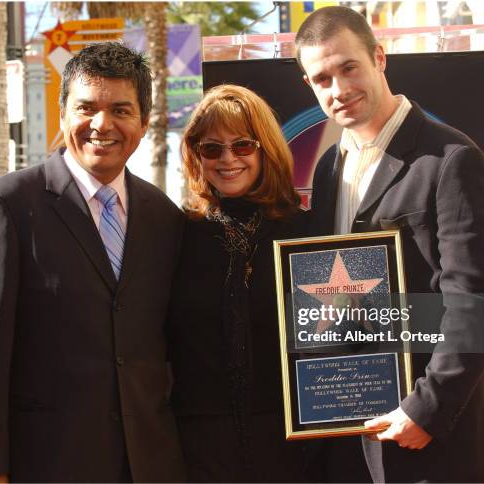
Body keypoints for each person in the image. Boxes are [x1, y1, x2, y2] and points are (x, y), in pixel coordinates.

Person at [0, 42, 185, 482]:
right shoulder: (8, 206)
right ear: (62, 114)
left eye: (120, 110)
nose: (101, 124)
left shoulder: (165, 218)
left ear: (144, 122)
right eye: (86, 108)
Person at [295, 6, 484, 483]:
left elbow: (478, 305)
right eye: (322, 78)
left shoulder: (451, 159)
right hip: (350, 435)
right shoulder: (328, 170)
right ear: (309, 86)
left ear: (379, 58)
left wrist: (428, 409)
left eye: (349, 68)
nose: (339, 89)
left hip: (429, 440)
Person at [168, 84, 311, 482]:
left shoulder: (306, 233)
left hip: (292, 444)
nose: (227, 159)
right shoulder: (177, 235)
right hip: (201, 449)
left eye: (243, 145)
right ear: (196, 155)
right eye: (211, 148)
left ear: (265, 148)